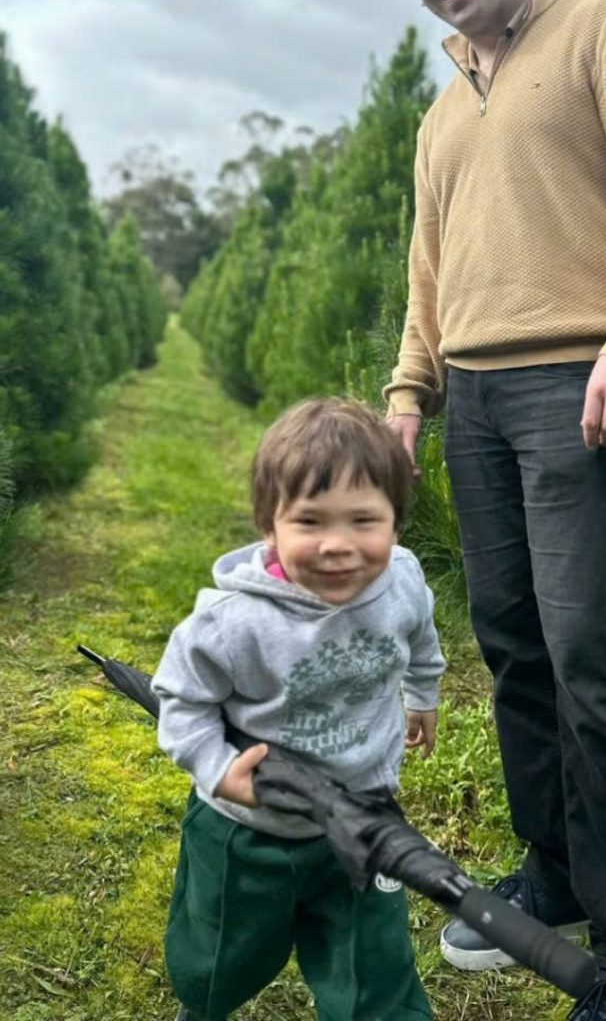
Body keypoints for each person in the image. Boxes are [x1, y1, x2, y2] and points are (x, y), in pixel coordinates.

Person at [384, 0, 606, 1018]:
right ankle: (557, 872)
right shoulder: (445, 105)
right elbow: (429, 264)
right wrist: (410, 390)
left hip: (574, 380)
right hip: (474, 397)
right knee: (511, 642)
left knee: (589, 657)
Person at [152, 397, 446, 1021]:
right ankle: (203, 1004)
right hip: (250, 830)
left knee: (376, 975)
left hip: (363, 820)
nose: (339, 546)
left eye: (364, 521)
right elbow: (180, 701)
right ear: (270, 525)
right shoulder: (233, 624)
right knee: (217, 961)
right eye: (311, 522)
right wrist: (216, 767)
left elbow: (420, 636)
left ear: (396, 522)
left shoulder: (402, 581)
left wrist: (422, 695)